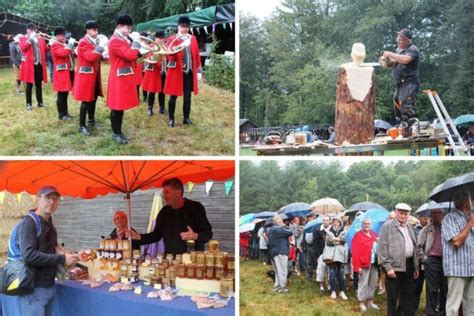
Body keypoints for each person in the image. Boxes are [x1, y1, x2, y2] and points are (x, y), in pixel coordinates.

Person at [18, 186, 79, 316]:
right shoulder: (29, 223)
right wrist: (62, 259)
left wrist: (63, 253)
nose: (52, 202)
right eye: (48, 198)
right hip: (33, 289)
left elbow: (50, 250)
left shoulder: (50, 225)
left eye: (55, 199)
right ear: (38, 200)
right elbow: (29, 256)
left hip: (49, 285)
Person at [126, 177, 212, 255]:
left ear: (178, 192)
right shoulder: (164, 212)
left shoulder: (196, 208)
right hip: (170, 260)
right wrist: (138, 236)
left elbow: (208, 234)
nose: (164, 196)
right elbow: (156, 235)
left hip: (193, 261)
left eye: (167, 193)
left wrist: (195, 236)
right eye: (163, 193)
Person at [378, 203, 419, 316]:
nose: (403, 216)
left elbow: (414, 247)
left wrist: (416, 267)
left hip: (409, 265)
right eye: (401, 213)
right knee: (392, 298)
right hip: (394, 267)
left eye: (406, 214)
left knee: (407, 296)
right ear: (396, 212)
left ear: (409, 215)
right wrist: (388, 268)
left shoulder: (410, 227)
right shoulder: (387, 226)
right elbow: (382, 249)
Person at [106, 14, 141, 144]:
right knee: (116, 107)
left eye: (130, 28)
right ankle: (115, 133)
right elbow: (130, 55)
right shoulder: (115, 40)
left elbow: (135, 55)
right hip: (118, 77)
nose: (129, 30)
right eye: (127, 27)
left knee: (120, 107)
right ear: (119, 26)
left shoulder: (124, 39)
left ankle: (119, 131)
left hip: (124, 75)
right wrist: (136, 43)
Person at [164, 16, 202, 127]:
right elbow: (169, 55)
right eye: (182, 26)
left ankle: (186, 118)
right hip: (176, 72)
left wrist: (198, 69)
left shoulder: (193, 39)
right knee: (173, 97)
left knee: (187, 97)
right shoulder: (172, 39)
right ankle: (171, 118)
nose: (184, 29)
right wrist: (180, 45)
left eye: (186, 27)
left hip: (189, 72)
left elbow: (196, 55)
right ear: (178, 26)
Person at [441, 190, 474, 316]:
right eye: (473, 199)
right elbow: (456, 242)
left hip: (471, 268)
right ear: (466, 203)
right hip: (457, 269)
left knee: (471, 305)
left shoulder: (469, 217)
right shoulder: (449, 218)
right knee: (453, 306)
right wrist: (470, 225)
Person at [383, 28, 420, 130]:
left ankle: (409, 126)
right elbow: (394, 62)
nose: (397, 40)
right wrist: (386, 61)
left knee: (405, 103)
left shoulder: (413, 49)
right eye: (397, 38)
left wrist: (390, 54)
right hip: (400, 83)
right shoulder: (399, 50)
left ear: (407, 40)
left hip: (409, 82)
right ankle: (400, 124)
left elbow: (405, 60)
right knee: (396, 101)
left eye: (400, 39)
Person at [73, 20, 104, 136]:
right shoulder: (83, 42)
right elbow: (89, 57)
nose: (96, 32)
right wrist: (100, 49)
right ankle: (82, 125)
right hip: (86, 76)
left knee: (94, 97)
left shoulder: (93, 42)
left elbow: (97, 58)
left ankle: (91, 120)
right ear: (87, 30)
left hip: (94, 75)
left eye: (96, 30)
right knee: (86, 101)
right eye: (93, 30)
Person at [417, 208, 447, 316]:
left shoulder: (447, 228)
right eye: (433, 213)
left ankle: (443, 312)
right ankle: (431, 313)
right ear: (430, 216)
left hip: (446, 261)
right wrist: (425, 260)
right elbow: (418, 247)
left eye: (438, 213)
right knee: (432, 289)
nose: (436, 215)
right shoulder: (425, 230)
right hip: (432, 261)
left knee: (445, 288)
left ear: (443, 214)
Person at [352, 218, 380, 312]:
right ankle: (361, 302)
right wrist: (357, 266)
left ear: (371, 225)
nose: (366, 225)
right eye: (365, 224)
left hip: (374, 263)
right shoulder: (358, 236)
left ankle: (370, 301)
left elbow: (378, 244)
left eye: (368, 224)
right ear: (362, 225)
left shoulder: (373, 234)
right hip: (363, 263)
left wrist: (377, 241)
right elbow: (355, 252)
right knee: (363, 283)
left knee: (373, 282)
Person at [19, 23, 48, 110]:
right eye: (30, 29)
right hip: (29, 65)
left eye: (33, 29)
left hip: (38, 64)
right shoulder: (23, 38)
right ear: (27, 30)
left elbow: (45, 50)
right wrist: (31, 39)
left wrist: (50, 44)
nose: (32, 31)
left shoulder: (40, 39)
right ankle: (28, 104)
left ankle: (40, 102)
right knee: (29, 85)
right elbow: (23, 48)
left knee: (39, 84)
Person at [50, 26, 75, 121]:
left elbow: (68, 55)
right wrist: (70, 45)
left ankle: (66, 113)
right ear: (56, 36)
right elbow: (62, 54)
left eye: (64, 35)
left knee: (65, 94)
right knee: (61, 95)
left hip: (67, 71)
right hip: (61, 72)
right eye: (61, 35)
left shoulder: (63, 44)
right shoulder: (55, 45)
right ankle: (61, 114)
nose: (64, 37)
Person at [323, 216, 348, 300]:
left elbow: (344, 240)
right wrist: (337, 240)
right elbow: (328, 241)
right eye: (333, 222)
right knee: (332, 274)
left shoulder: (343, 231)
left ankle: (342, 291)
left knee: (341, 275)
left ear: (340, 223)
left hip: (341, 256)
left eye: (337, 222)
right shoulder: (329, 231)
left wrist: (335, 239)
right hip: (332, 256)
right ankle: (333, 291)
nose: (335, 223)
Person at [267, 215, 293, 293]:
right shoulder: (277, 229)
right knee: (283, 270)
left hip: (275, 252)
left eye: (282, 221)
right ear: (275, 222)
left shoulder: (273, 229)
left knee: (278, 271)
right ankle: (283, 288)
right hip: (281, 252)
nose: (281, 223)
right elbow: (290, 232)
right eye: (280, 221)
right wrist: (286, 226)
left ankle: (277, 287)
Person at [142, 31, 166, 116]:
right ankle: (150, 108)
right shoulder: (151, 47)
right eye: (159, 38)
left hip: (163, 71)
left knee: (162, 91)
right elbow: (149, 58)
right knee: (152, 91)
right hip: (154, 71)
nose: (161, 40)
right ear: (155, 38)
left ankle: (162, 108)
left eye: (162, 38)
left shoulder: (165, 47)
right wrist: (158, 60)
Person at [315, 215, 331, 292]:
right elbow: (315, 243)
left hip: (330, 253)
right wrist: (318, 254)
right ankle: (321, 285)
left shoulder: (332, 230)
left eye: (327, 220)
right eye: (324, 220)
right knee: (320, 269)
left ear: (329, 221)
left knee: (329, 269)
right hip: (321, 253)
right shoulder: (318, 230)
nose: (325, 222)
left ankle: (328, 284)